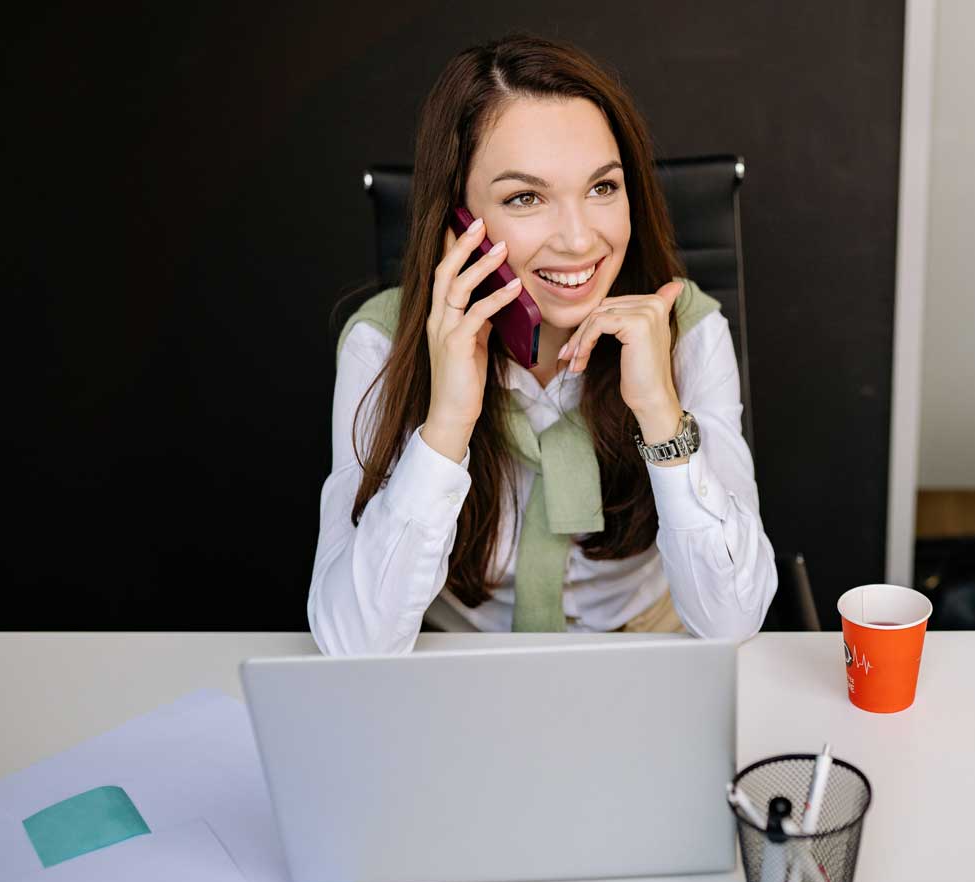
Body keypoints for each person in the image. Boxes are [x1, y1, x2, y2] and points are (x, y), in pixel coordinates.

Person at [307, 34, 777, 655]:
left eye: (603, 188)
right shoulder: (381, 344)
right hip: (458, 665)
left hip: (643, 656)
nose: (580, 241)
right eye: (525, 198)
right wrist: (447, 421)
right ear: (456, 220)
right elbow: (353, 644)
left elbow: (731, 621)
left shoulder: (686, 329)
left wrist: (661, 415)